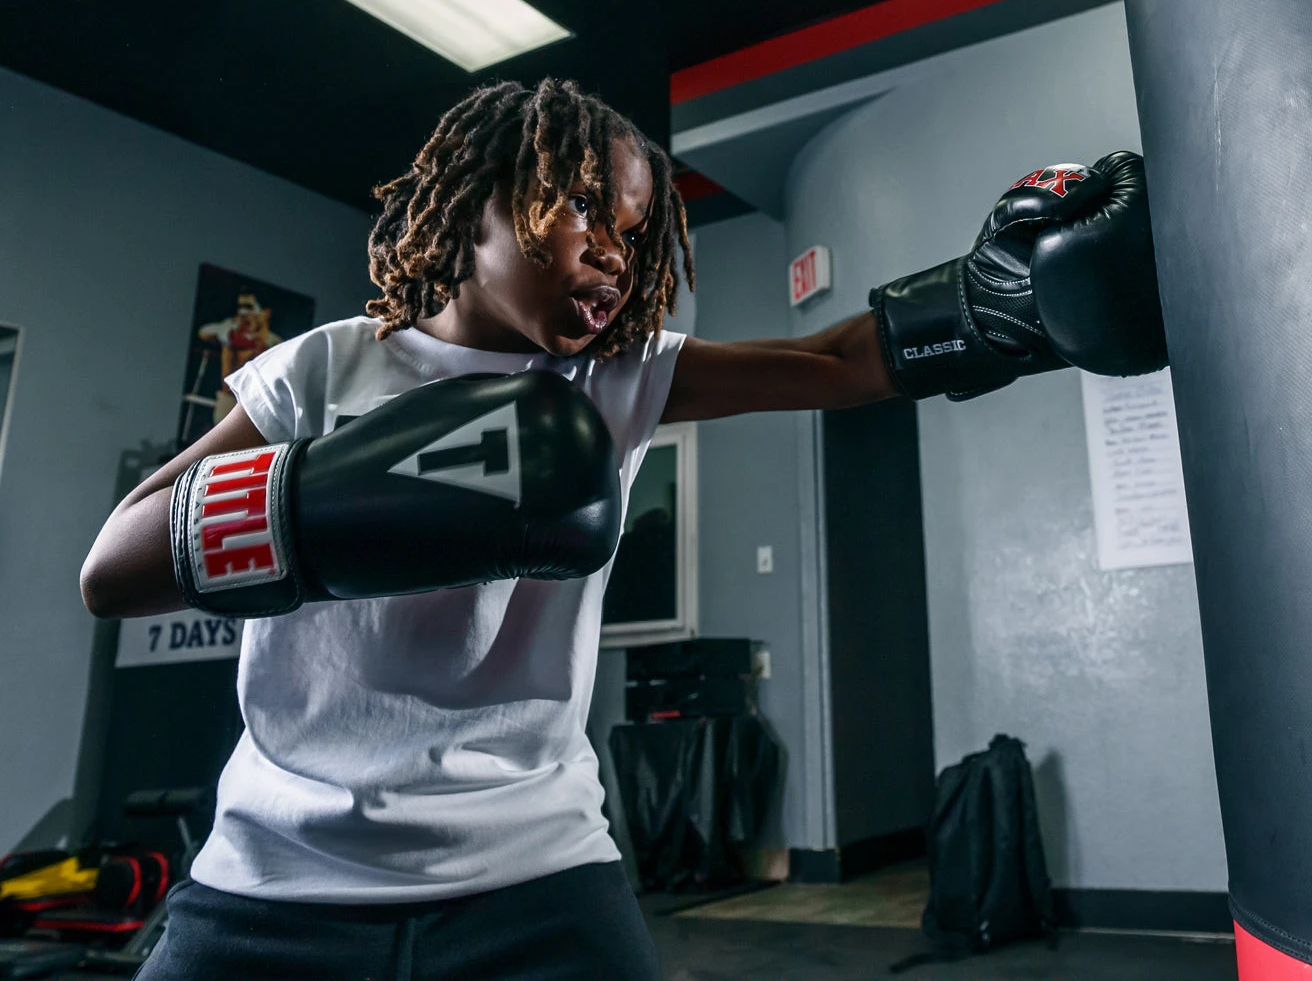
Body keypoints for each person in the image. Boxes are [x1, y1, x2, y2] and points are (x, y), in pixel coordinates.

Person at [78, 77, 1167, 980]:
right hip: (275, 877)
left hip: (535, 872)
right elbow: (114, 567)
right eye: (584, 210)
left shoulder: (614, 381)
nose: (613, 253)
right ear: (482, 201)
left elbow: (831, 364)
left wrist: (990, 306)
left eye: (635, 233)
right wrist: (327, 500)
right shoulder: (325, 369)